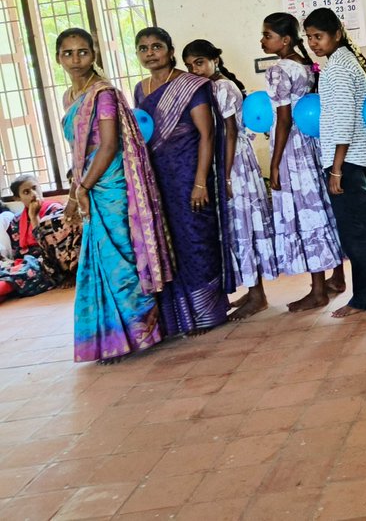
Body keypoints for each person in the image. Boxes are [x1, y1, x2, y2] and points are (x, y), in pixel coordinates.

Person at [58, 28, 170, 363]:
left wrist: (83, 187)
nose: (76, 60)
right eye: (68, 53)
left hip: (110, 182)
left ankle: (140, 332)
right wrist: (75, 190)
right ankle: (111, 337)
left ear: (94, 54)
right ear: (57, 58)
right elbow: (78, 148)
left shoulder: (103, 94)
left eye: (83, 52)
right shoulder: (69, 97)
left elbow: (107, 146)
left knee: (120, 257)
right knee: (100, 260)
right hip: (88, 180)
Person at [134, 27, 229, 335]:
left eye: (156, 46)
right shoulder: (140, 90)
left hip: (190, 172)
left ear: (170, 51)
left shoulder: (191, 85)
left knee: (196, 238)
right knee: (168, 243)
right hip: (157, 178)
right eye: (143, 48)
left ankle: (208, 312)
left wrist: (200, 181)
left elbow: (207, 133)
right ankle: (180, 316)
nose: (150, 52)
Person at [303, 8, 366, 316]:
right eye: (309, 37)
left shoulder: (338, 69)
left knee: (358, 233)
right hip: (363, 156)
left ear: (337, 34)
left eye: (319, 36)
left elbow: (342, 122)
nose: (313, 43)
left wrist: (337, 169)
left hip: (347, 161)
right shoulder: (348, 61)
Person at [182, 39, 279, 320]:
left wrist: (224, 175)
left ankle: (258, 295)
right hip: (228, 160)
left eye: (199, 62)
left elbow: (230, 131)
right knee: (237, 228)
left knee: (244, 225)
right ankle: (252, 289)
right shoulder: (212, 85)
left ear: (215, 59)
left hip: (234, 162)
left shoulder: (222, 86)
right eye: (189, 66)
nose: (195, 69)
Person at [261, 13, 345, 311]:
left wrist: (274, 163)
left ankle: (318, 290)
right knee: (320, 207)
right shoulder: (306, 65)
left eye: (267, 35)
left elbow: (283, 119)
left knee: (303, 213)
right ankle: (337, 276)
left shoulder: (278, 70)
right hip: (312, 143)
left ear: (284, 40)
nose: (262, 40)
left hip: (291, 151)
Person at [0, 176, 65, 301]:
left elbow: (55, 248)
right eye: (26, 192)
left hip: (49, 262)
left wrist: (34, 218)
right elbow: (17, 252)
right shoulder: (16, 220)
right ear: (17, 198)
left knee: (28, 270)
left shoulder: (55, 211)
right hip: (26, 261)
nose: (33, 194)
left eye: (35, 188)